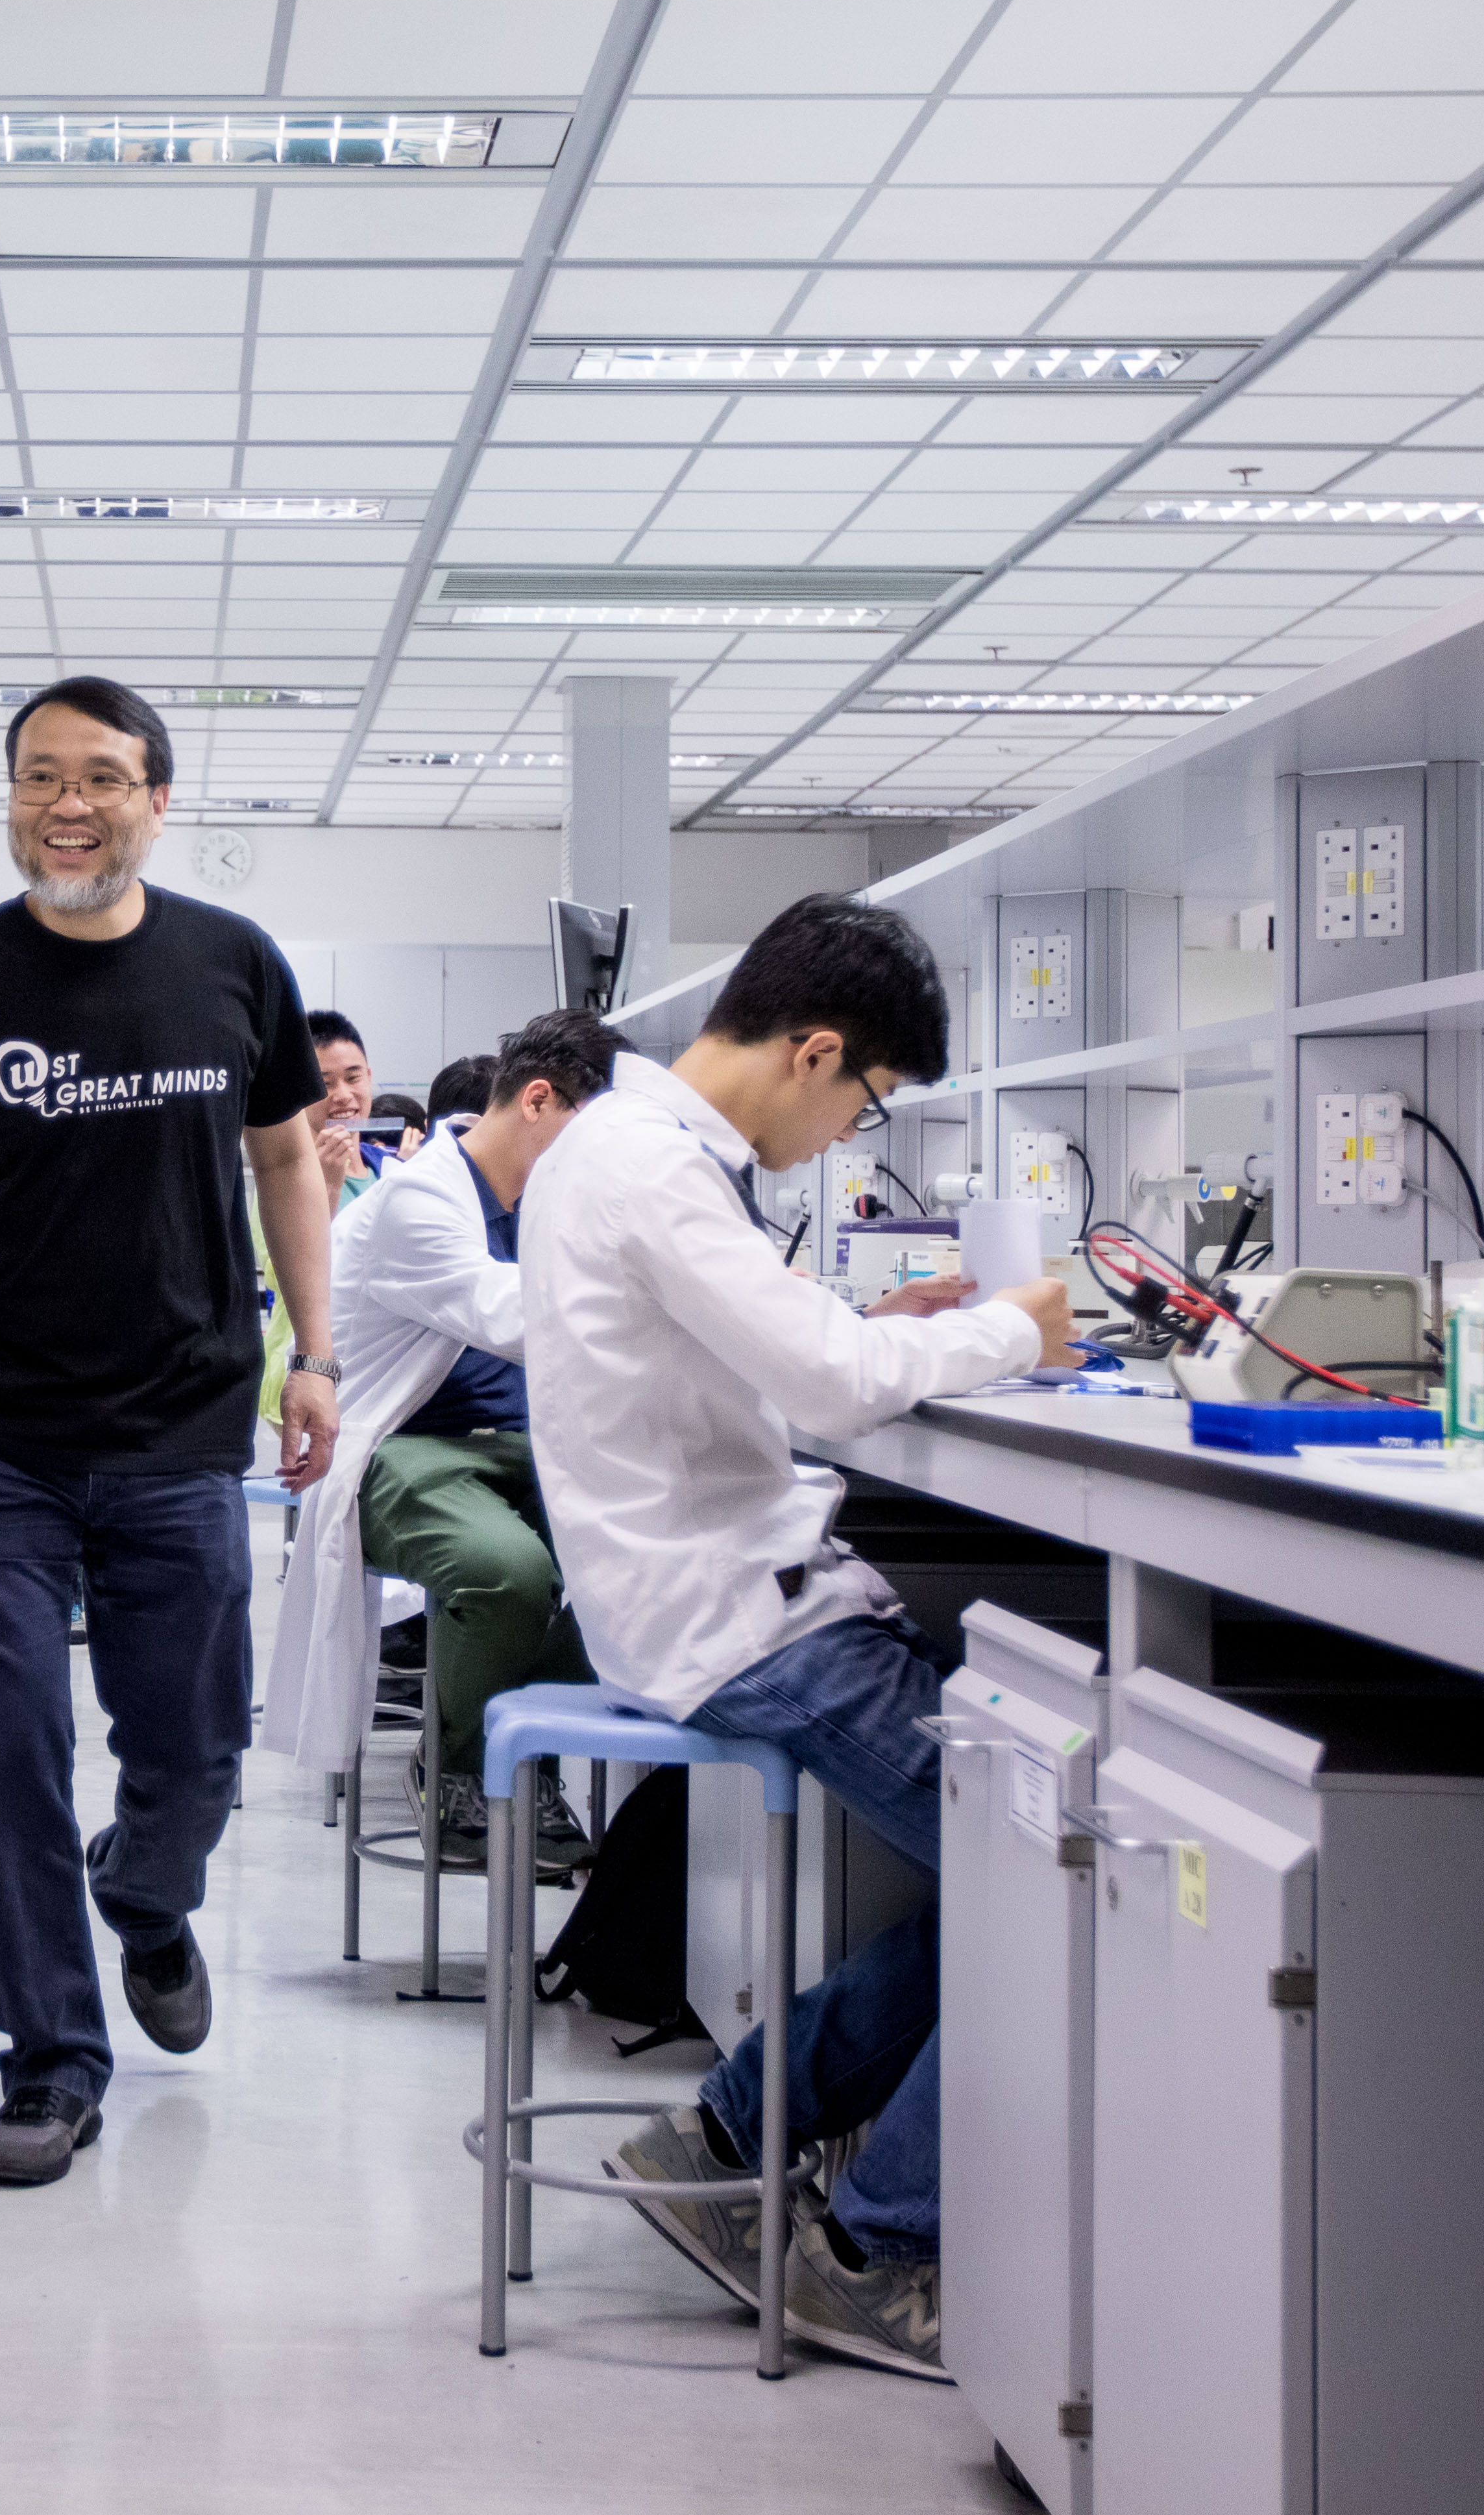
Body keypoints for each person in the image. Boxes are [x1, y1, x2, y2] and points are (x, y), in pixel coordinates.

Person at [0, 675, 340, 2188]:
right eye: (41, 775)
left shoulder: (234, 965)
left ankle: (147, 1899)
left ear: (159, 799)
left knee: (194, 1749)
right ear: (13, 798)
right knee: (5, 1755)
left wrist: (317, 1356)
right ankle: (51, 2060)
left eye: (102, 774)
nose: (69, 800)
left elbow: (289, 1156)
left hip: (180, 1434)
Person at [518, 892, 1069, 2383]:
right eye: (863, 1101)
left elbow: (756, 1350)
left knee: (1008, 1863)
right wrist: (1023, 1325)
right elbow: (831, 1384)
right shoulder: (654, 1169)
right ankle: (879, 2251)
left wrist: (911, 1314)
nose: (845, 1134)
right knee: (1052, 1869)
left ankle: (727, 2129)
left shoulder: (633, 1152)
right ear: (817, 1048)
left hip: (714, 1594)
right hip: (745, 1625)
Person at [267, 1007, 622, 1872]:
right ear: (539, 1100)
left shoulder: (535, 1189)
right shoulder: (421, 1198)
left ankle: (516, 1745)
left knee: (654, 1549)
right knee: (508, 1571)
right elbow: (513, 1315)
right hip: (398, 1446)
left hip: (522, 1444)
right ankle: (469, 1774)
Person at [307, 1007, 380, 1203]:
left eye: (353, 1078)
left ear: (369, 1077)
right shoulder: (286, 1178)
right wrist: (327, 1187)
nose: (343, 1096)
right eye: (325, 1084)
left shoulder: (388, 1169)